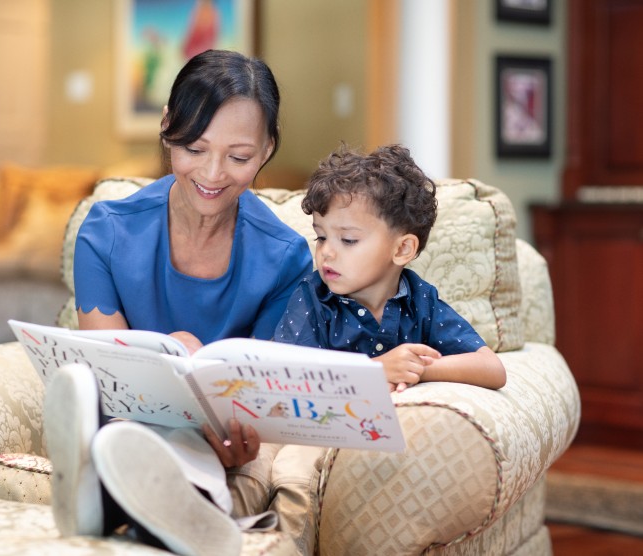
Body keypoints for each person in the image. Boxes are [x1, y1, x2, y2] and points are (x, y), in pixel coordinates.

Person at [44, 49, 315, 556]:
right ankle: (159, 492)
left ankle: (103, 493)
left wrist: (237, 428)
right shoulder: (105, 232)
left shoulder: (286, 258)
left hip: (218, 441)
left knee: (197, 438)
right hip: (127, 413)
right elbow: (111, 369)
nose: (213, 175)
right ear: (167, 128)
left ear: (266, 150)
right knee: (114, 403)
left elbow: (260, 395)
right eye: (194, 147)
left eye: (238, 157)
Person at [275, 144, 507, 393]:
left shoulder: (421, 301)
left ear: (402, 249)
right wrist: (376, 370)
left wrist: (414, 369)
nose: (326, 252)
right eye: (320, 237)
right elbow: (284, 378)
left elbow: (491, 368)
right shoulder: (314, 298)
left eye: (348, 240)